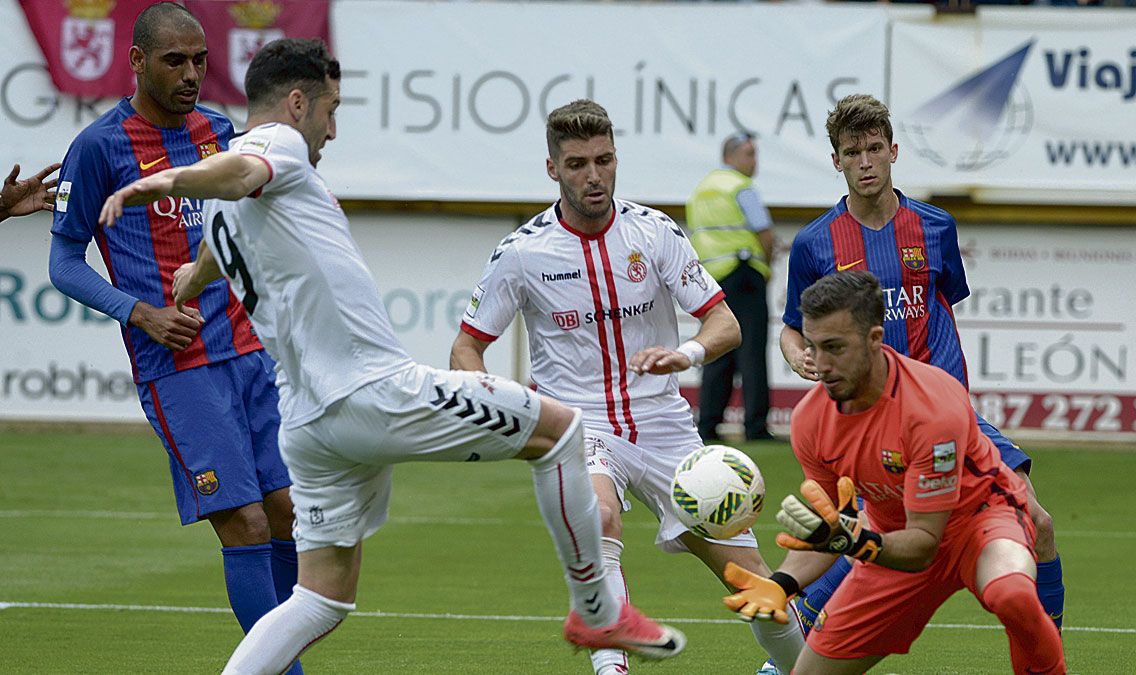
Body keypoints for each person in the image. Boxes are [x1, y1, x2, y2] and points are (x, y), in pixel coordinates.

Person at [102, 40, 685, 673]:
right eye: (331, 108)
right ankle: (597, 614)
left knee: (319, 599)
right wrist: (162, 179)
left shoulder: (222, 203)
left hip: (308, 424)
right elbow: (241, 173)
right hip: (372, 393)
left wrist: (192, 278)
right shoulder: (275, 147)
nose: (333, 126)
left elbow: (223, 234)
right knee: (564, 431)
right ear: (297, 103)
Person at [451, 99, 805, 675]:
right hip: (579, 426)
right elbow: (467, 348)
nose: (593, 176)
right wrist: (503, 405)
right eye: (577, 164)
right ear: (552, 169)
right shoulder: (522, 252)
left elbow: (725, 324)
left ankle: (799, 668)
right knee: (601, 517)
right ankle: (610, 668)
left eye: (604, 160)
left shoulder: (654, 231)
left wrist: (684, 353)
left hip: (666, 427)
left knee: (756, 583)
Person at [47, 3, 299, 665]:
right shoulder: (101, 146)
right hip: (179, 366)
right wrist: (142, 313)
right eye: (174, 61)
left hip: (249, 353)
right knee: (243, 522)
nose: (191, 73)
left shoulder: (219, 130)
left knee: (289, 513)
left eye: (199, 60)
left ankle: (279, 656)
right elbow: (64, 262)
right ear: (136, 62)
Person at [773, 94, 1065, 641]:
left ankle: (1047, 643)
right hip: (870, 423)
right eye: (852, 151)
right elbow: (794, 326)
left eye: (875, 149)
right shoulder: (815, 242)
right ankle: (792, 634)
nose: (865, 162)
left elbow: (944, 302)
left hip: (950, 417)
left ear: (894, 152)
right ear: (836, 160)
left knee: (1039, 523)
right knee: (864, 536)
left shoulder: (934, 227)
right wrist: (799, 354)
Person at [729, 270, 1066, 674]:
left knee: (1011, 592)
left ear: (875, 339)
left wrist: (858, 543)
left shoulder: (931, 406)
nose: (821, 365)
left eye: (835, 348)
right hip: (890, 537)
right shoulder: (810, 421)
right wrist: (780, 583)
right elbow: (834, 527)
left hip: (981, 520)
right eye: (814, 348)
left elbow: (923, 542)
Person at [686, 132, 776, 442]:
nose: (755, 161)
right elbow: (765, 234)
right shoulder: (742, 187)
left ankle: (708, 425)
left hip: (713, 279)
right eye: (750, 154)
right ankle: (755, 426)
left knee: (717, 349)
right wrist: (765, 268)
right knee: (751, 351)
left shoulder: (700, 191)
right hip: (745, 272)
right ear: (731, 156)